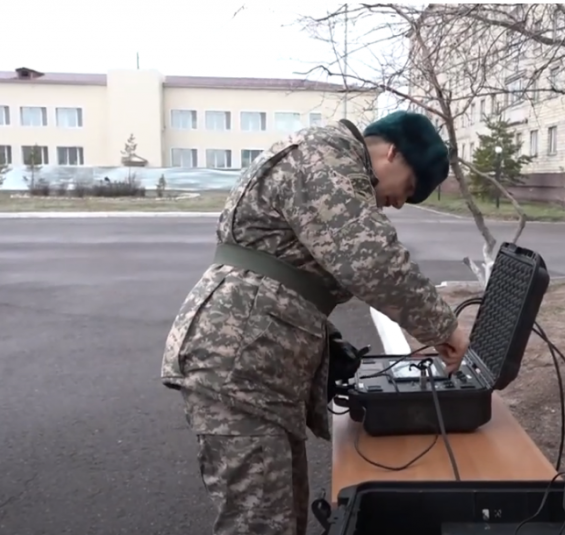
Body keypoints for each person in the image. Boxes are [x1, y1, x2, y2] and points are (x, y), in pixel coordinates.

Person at [161, 111, 470, 535]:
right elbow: (373, 261)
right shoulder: (323, 158)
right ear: (393, 152)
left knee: (284, 516)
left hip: (255, 365)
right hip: (237, 363)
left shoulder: (329, 161)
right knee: (260, 524)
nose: (397, 203)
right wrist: (444, 329)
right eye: (409, 188)